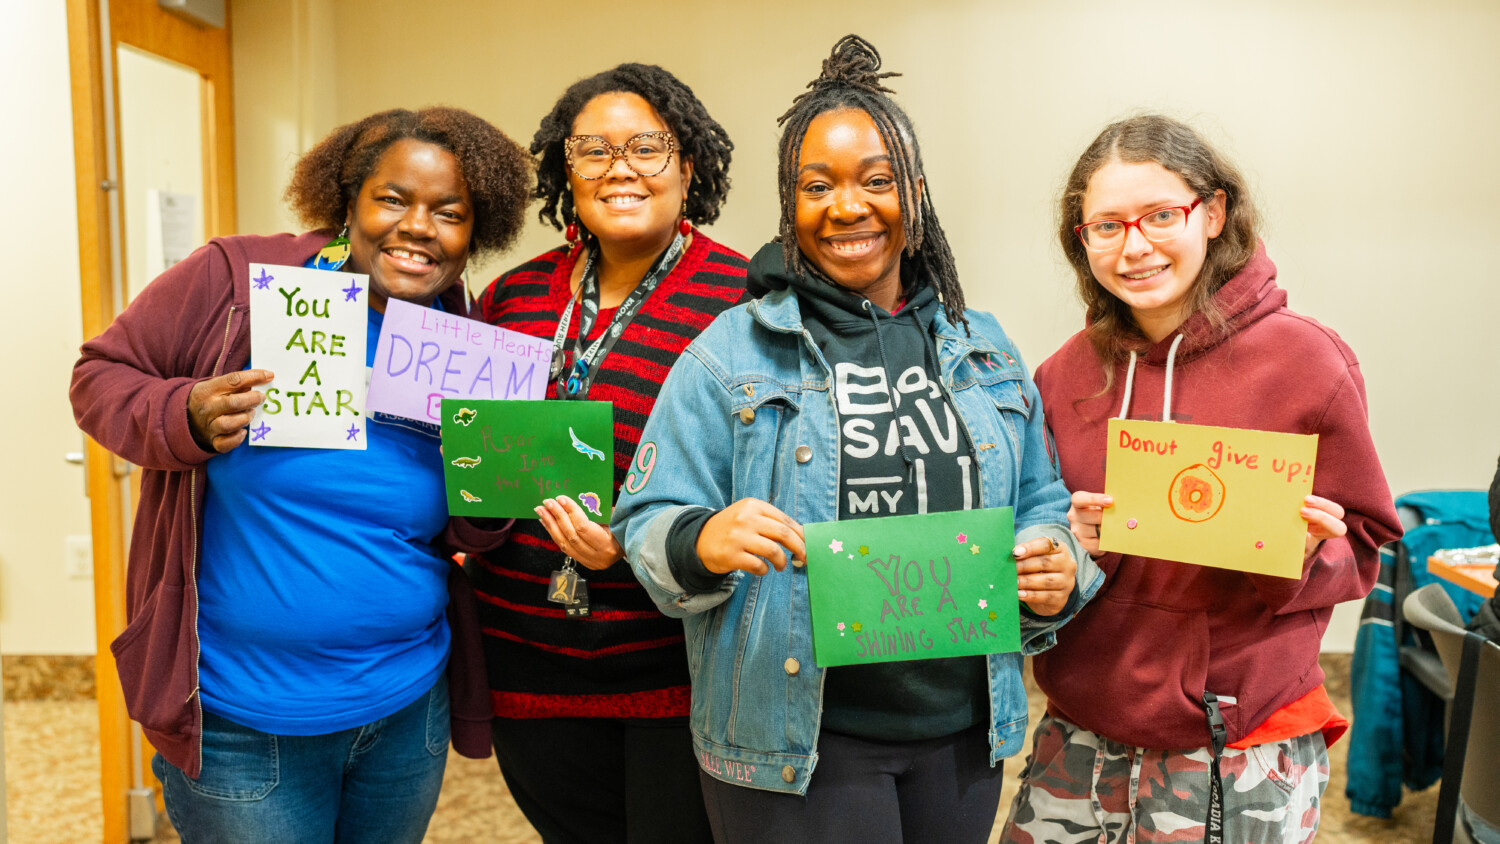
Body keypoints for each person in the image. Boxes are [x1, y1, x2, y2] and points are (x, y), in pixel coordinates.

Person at [612, 36, 1100, 844]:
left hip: (962, 736)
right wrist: (706, 537)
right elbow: (646, 519)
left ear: (915, 194)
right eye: (817, 186)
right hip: (797, 744)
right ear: (788, 203)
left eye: (877, 181)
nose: (848, 207)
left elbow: (1040, 498)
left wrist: (1055, 556)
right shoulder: (729, 352)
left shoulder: (984, 347)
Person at [70, 107, 532, 843]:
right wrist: (183, 413)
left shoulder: (465, 346)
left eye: (450, 213)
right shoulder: (238, 282)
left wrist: (492, 468)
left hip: (405, 709)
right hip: (241, 720)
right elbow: (99, 377)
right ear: (348, 201)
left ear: (475, 233)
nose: (418, 227)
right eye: (392, 199)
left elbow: (473, 531)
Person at [999, 114, 1404, 844]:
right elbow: (1041, 524)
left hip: (1237, 738)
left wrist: (1303, 554)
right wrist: (1067, 544)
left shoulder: (1308, 363)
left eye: (1161, 215)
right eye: (1106, 226)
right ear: (1080, 238)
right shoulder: (1064, 375)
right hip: (1079, 729)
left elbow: (1368, 548)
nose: (1136, 246)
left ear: (1213, 213)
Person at [469, 63, 745, 843]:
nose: (619, 167)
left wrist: (636, 544)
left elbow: (779, 473)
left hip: (675, 669)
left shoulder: (745, 301)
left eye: (646, 147)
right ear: (566, 169)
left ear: (687, 167)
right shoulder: (513, 298)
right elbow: (472, 452)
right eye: (593, 150)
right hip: (529, 662)